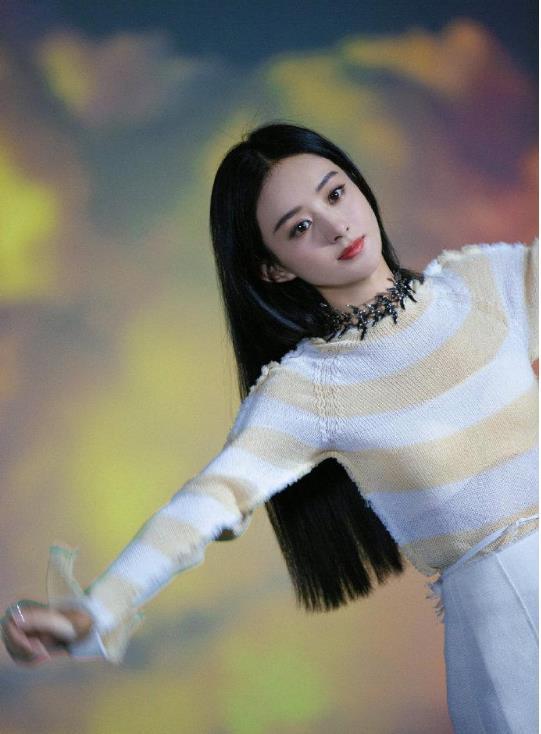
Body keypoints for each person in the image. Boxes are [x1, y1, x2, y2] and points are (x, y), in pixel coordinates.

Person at [1, 122, 538, 733]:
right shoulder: (313, 388)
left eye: (335, 193)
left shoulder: (487, 284)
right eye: (299, 228)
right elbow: (211, 499)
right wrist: (96, 609)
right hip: (509, 639)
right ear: (275, 269)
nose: (335, 226)